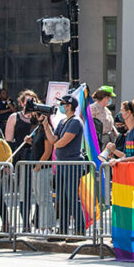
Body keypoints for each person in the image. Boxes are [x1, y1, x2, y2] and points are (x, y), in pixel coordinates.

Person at [42, 94, 88, 238]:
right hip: (62, 164)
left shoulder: (75, 122)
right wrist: (45, 125)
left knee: (72, 197)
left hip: (71, 163)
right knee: (61, 197)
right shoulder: (62, 122)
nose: (61, 106)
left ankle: (79, 229)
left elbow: (62, 142)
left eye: (63, 104)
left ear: (69, 106)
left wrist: (55, 144)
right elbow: (53, 139)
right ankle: (62, 229)